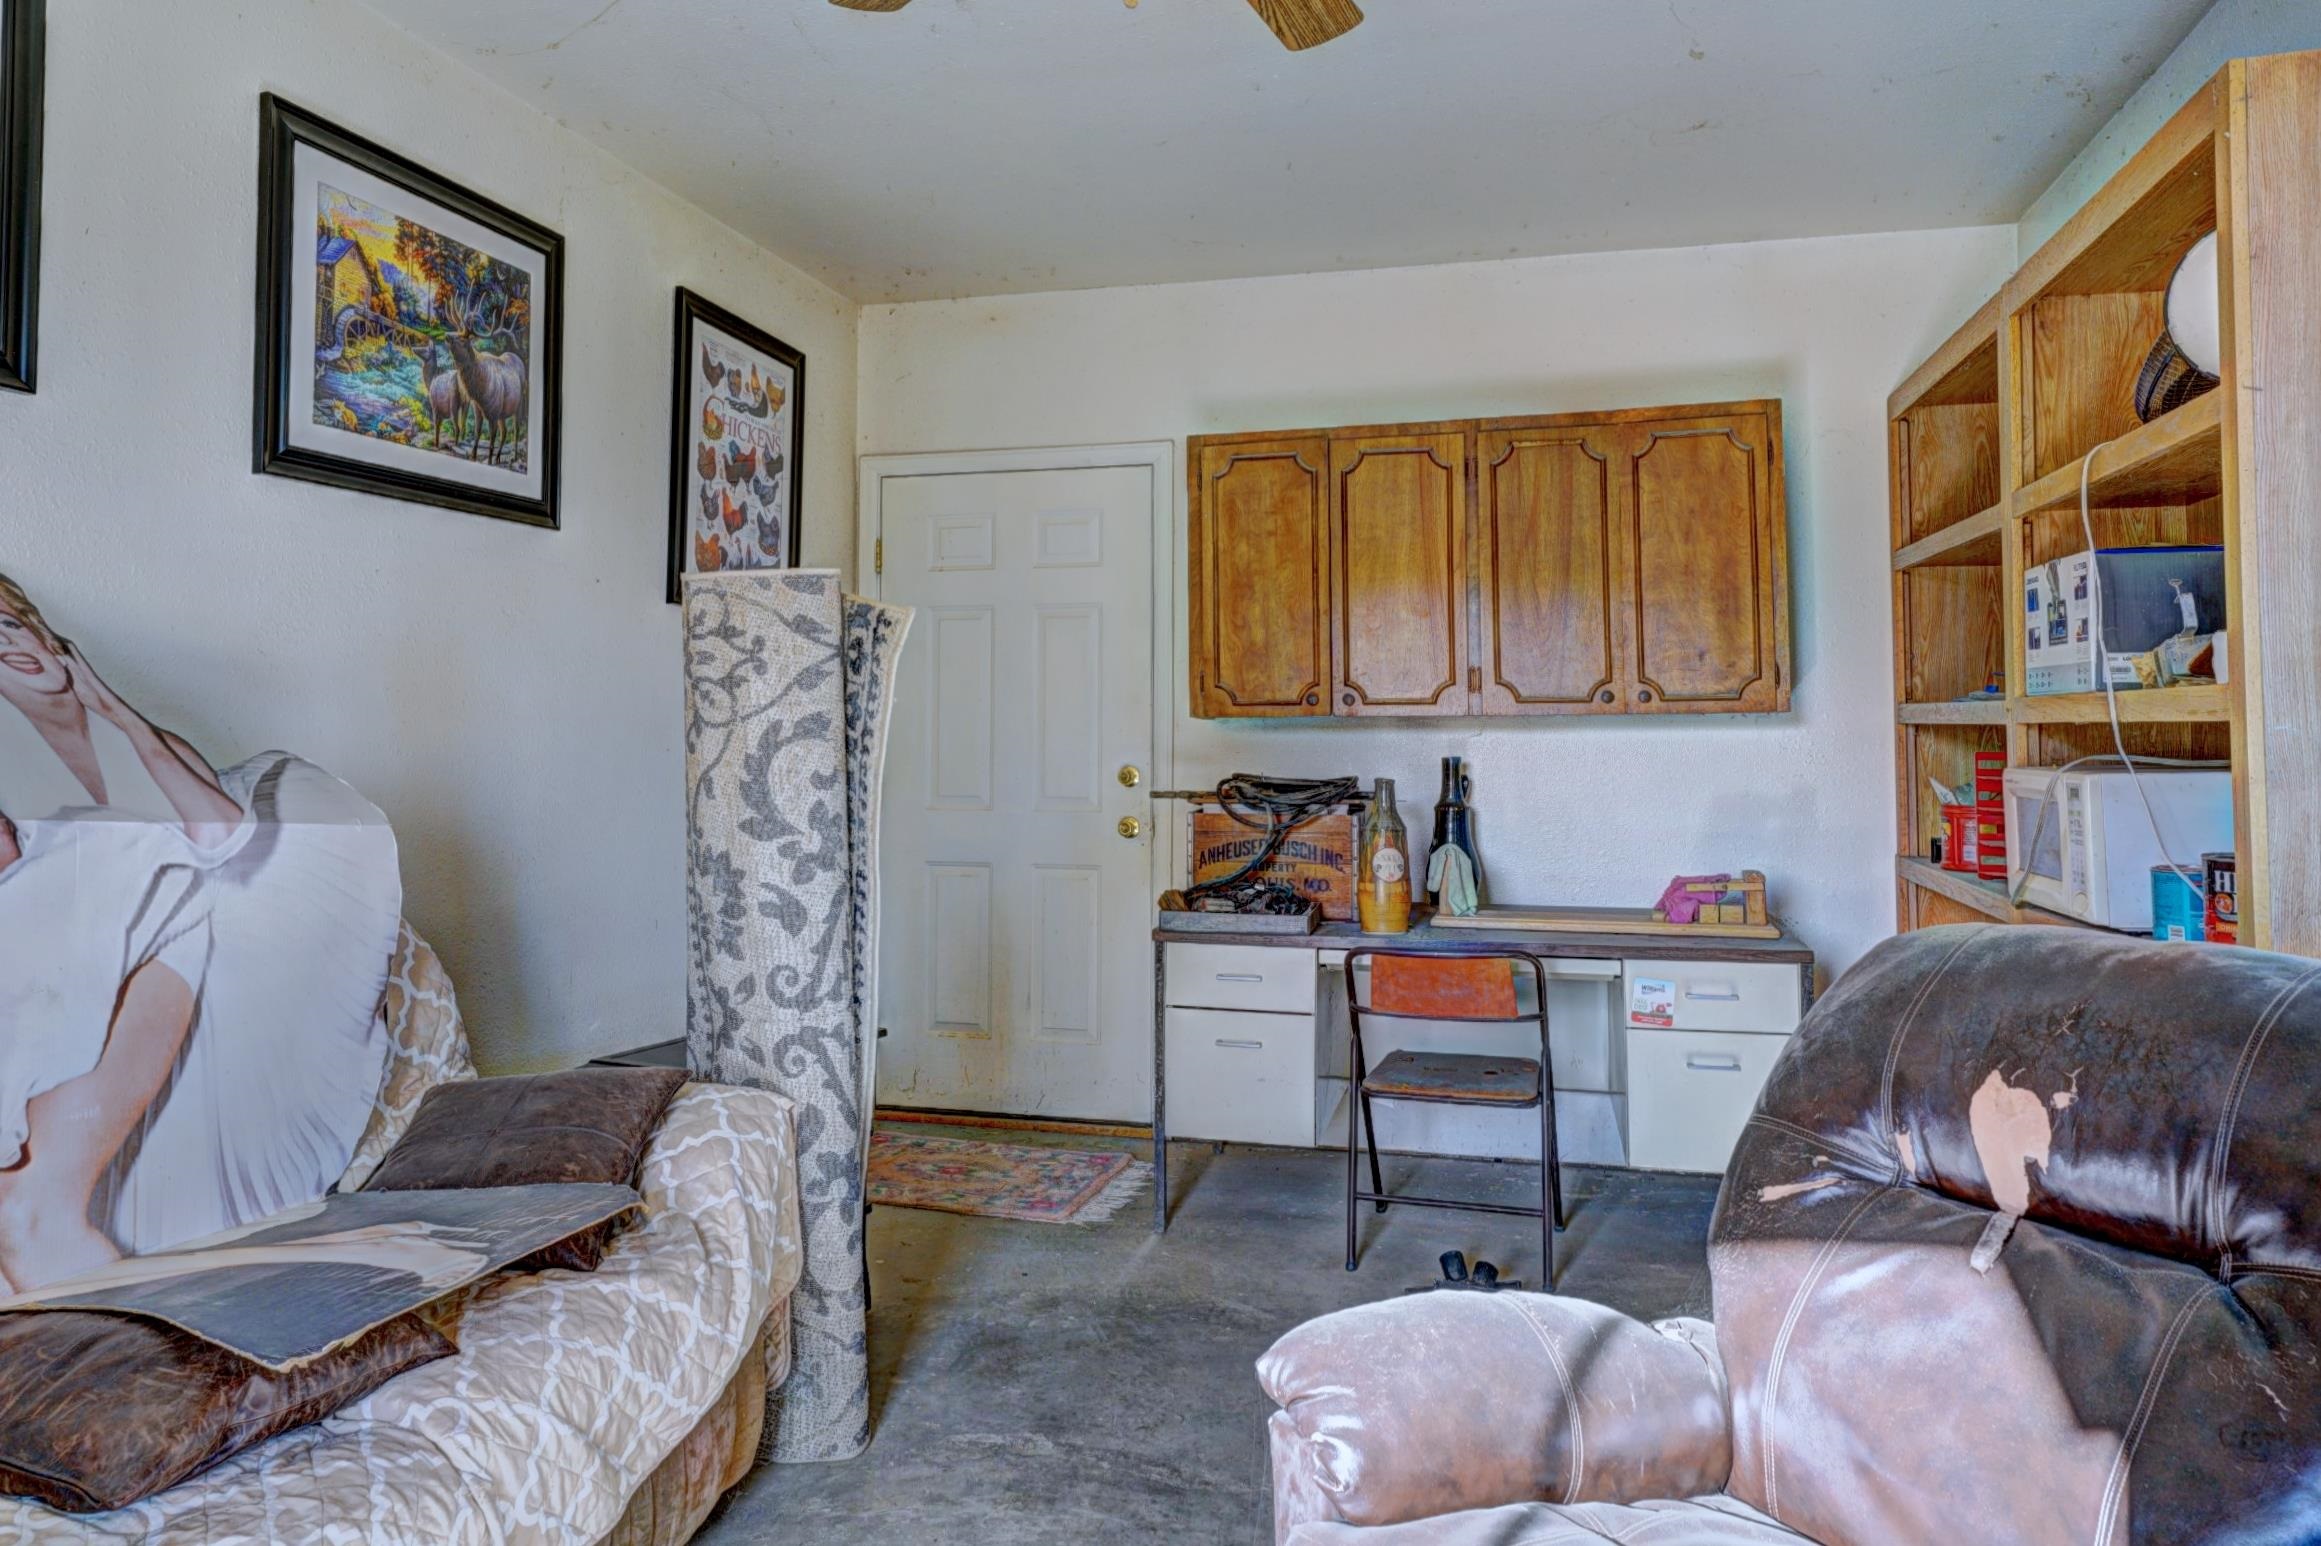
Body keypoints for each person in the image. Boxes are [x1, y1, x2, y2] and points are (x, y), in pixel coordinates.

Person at [0, 572, 401, 1294]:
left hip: (169, 933)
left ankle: (180, 1316)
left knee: (29, 1216)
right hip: (80, 946)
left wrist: (108, 706)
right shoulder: (14, 767)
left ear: (47, 633)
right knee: (23, 1214)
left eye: (12, 625)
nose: (11, 649)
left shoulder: (136, 741)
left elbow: (220, 834)